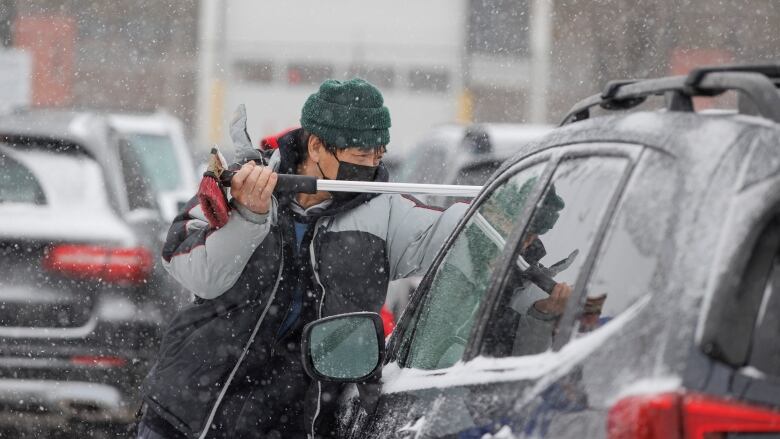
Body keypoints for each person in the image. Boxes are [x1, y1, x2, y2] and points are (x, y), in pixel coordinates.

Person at [136, 78, 468, 438]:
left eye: (379, 155)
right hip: (190, 413)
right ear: (316, 146)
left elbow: (466, 239)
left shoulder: (385, 213)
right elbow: (199, 273)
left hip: (294, 422)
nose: (372, 167)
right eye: (360, 156)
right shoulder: (246, 183)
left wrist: (511, 219)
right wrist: (247, 217)